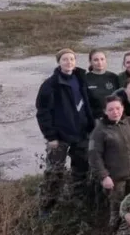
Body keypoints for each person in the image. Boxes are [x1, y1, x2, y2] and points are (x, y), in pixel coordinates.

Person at [36, 48, 96, 212]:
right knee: (54, 172)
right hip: (60, 136)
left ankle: (78, 202)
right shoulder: (51, 85)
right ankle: (47, 207)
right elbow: (42, 112)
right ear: (59, 62)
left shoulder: (80, 78)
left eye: (72, 59)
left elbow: (87, 104)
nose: (69, 62)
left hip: (81, 133)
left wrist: (90, 126)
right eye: (65, 59)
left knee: (80, 170)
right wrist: (51, 136)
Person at [89, 95, 130, 227]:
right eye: (111, 109)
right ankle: (115, 234)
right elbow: (94, 156)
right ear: (105, 111)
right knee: (117, 210)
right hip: (116, 179)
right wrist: (104, 177)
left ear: (122, 108)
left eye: (117, 108)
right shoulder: (99, 130)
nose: (115, 112)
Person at [85, 49, 120, 119]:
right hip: (95, 119)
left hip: (113, 116)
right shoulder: (85, 78)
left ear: (106, 60)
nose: (99, 62)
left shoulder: (114, 77)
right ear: (90, 62)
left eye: (102, 59)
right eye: (96, 60)